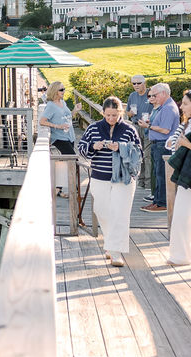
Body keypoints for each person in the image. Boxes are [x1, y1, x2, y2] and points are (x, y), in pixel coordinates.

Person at [77, 96, 142, 267]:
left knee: (120, 214)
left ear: (120, 112)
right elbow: (81, 149)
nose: (111, 119)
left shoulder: (129, 129)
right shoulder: (93, 128)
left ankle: (115, 252)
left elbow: (139, 153)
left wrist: (120, 147)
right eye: (108, 115)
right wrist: (94, 147)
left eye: (114, 115)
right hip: (100, 177)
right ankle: (110, 243)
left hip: (124, 178)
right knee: (102, 211)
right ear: (103, 113)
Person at [139, 83, 180, 212]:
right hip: (159, 144)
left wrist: (148, 127)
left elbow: (165, 129)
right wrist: (150, 123)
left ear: (163, 93)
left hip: (163, 145)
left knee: (161, 175)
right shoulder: (164, 107)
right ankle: (157, 201)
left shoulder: (168, 108)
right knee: (157, 174)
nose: (153, 98)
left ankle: (162, 203)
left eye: (155, 95)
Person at [40, 81, 80, 198]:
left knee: (65, 163)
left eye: (64, 89)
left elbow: (67, 117)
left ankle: (58, 188)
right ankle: (75, 190)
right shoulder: (51, 105)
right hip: (59, 138)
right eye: (61, 90)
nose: (63, 91)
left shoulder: (62, 102)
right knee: (73, 161)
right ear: (55, 91)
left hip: (69, 136)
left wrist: (75, 111)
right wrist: (58, 126)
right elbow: (42, 121)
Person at [167, 90, 191, 265]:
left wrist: (186, 144)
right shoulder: (187, 123)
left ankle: (181, 256)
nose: (181, 106)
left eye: (185, 103)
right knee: (182, 216)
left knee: (182, 216)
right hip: (186, 175)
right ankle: (181, 255)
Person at [127, 75, 153, 189]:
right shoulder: (132, 96)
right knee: (139, 155)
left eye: (138, 83)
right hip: (136, 127)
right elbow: (127, 112)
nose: (136, 85)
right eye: (134, 83)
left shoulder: (151, 94)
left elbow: (158, 108)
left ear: (144, 83)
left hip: (148, 127)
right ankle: (141, 180)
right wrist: (131, 113)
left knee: (148, 156)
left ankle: (148, 183)